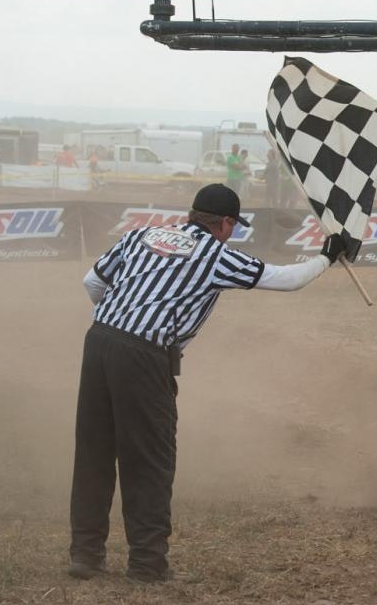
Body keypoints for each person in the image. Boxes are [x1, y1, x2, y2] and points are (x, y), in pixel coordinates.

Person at [69, 183, 347, 584]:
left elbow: (91, 283)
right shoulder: (215, 255)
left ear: (193, 213)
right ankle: (147, 565)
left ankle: (85, 554)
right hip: (145, 355)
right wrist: (326, 257)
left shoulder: (141, 235)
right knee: (149, 460)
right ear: (226, 223)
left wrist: (123, 318)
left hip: (99, 341)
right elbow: (285, 279)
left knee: (94, 451)